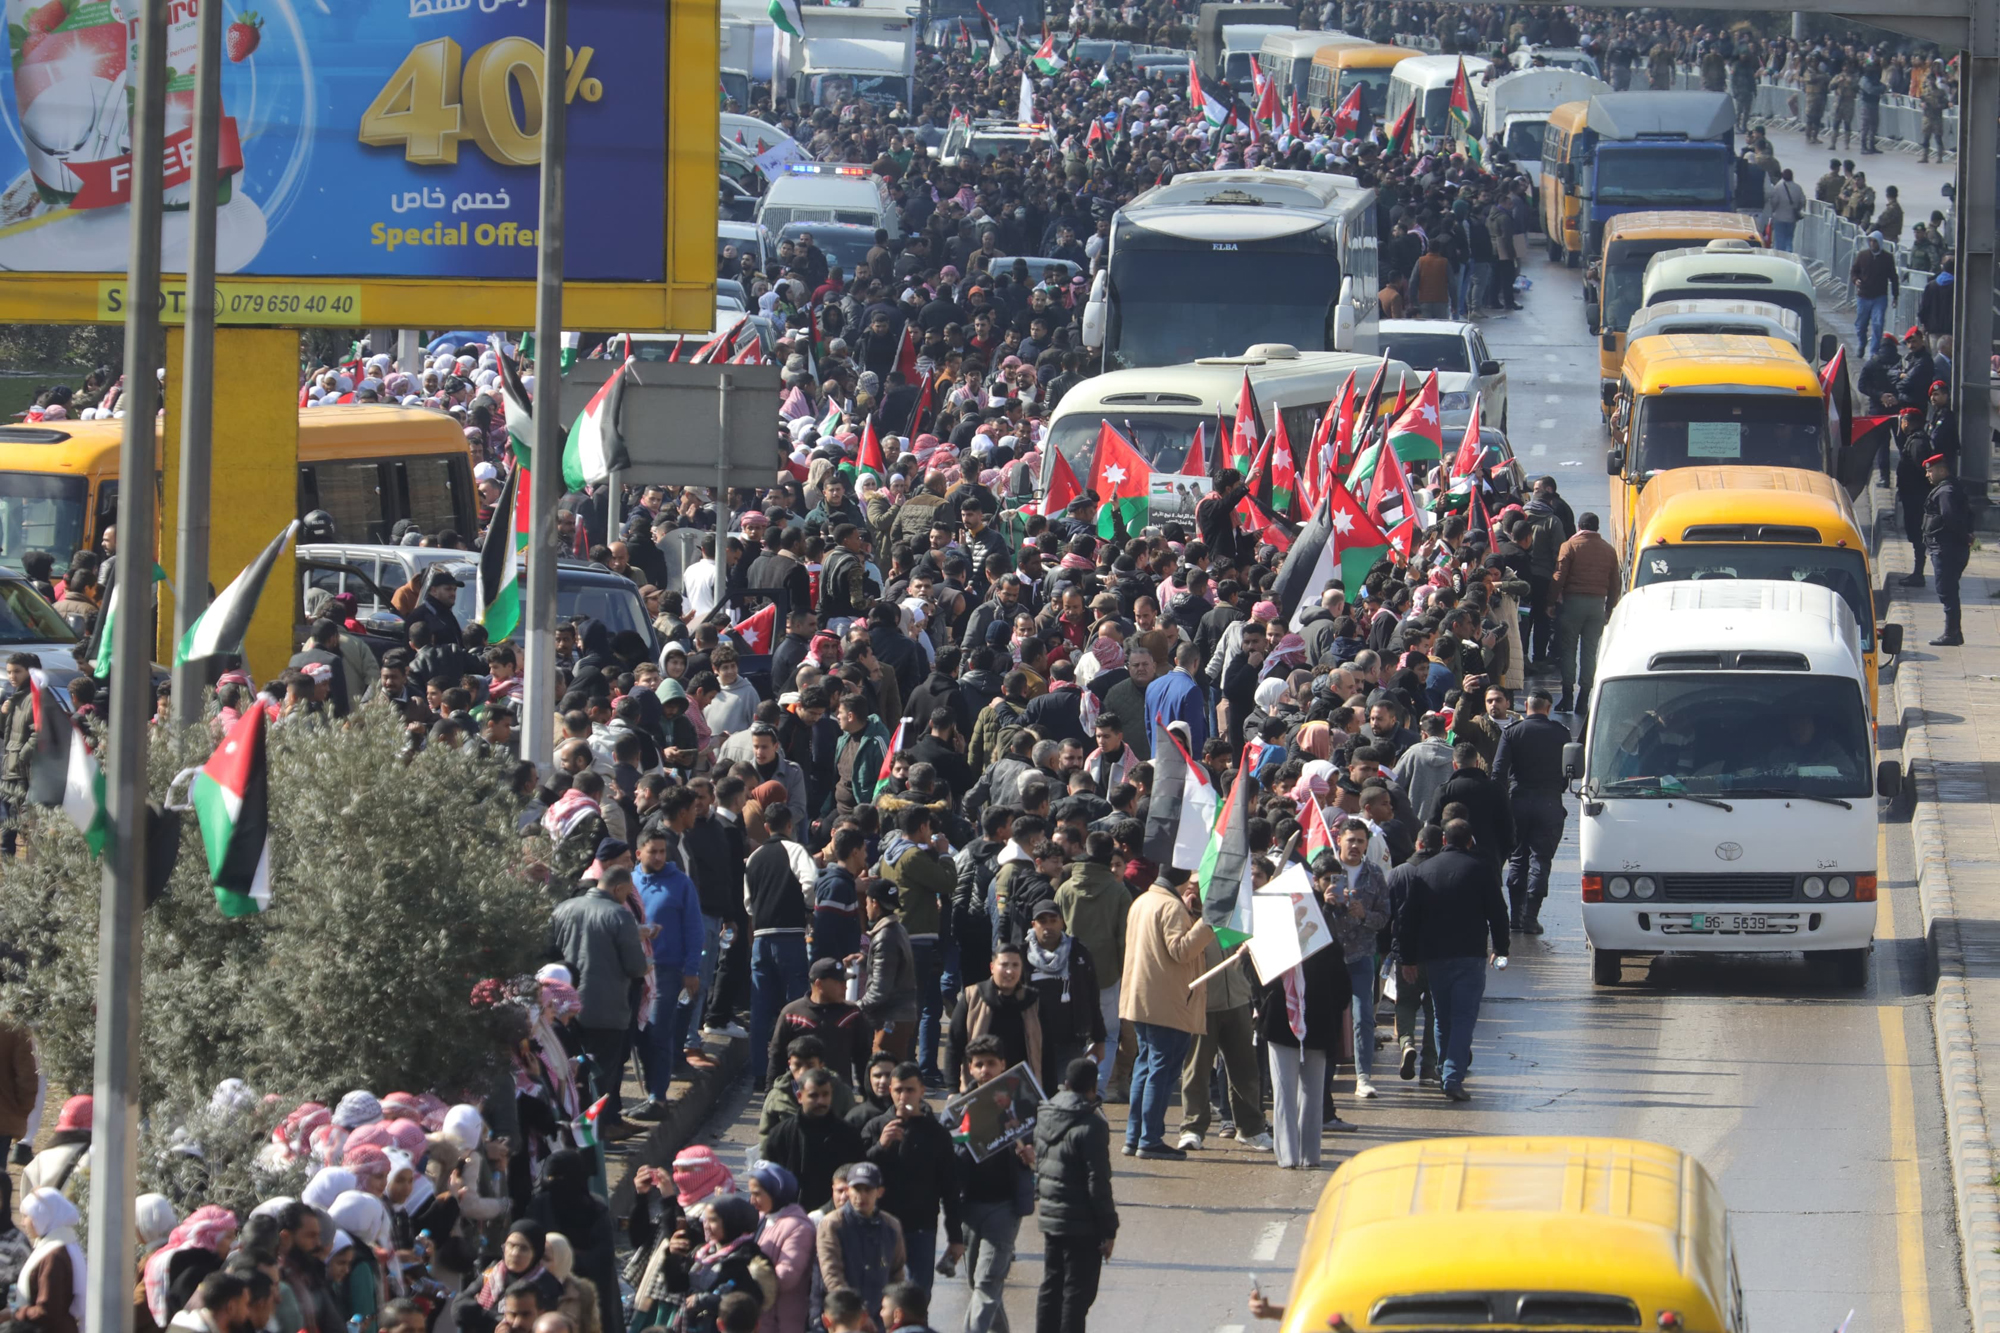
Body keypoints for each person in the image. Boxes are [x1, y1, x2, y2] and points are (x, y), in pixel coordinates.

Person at [1395, 820, 1510, 1101]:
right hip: (1469, 956)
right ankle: (1452, 1076)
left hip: (1434, 957)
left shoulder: (1424, 871)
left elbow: (1407, 919)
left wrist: (1408, 959)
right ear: (1470, 841)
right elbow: (1498, 912)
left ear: (1444, 839)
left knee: (1442, 1016)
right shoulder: (1481, 870)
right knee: (1463, 1018)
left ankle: (1444, 1068)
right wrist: (1501, 948)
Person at [1252, 872, 1348, 1170]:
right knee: (1312, 1095)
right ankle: (1310, 1156)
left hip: (1281, 1026)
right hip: (1319, 1026)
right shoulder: (1328, 944)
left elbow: (1257, 985)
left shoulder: (1273, 943)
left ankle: (1288, 1156)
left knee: (1284, 1094)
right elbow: (1344, 989)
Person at [547, 867, 649, 1141]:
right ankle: (598, 1139)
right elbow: (635, 966)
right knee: (603, 1079)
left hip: (564, 1010)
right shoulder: (619, 916)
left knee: (571, 1079)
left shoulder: (563, 909)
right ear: (618, 889)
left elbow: (550, 952)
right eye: (627, 893)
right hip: (607, 1011)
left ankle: (575, 1139)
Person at [1117, 875, 1214, 1161]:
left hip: (1143, 997)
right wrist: (1206, 921)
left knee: (1145, 1067)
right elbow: (1181, 950)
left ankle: (1135, 1137)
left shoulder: (1143, 900)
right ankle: (1149, 1138)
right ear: (1183, 880)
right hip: (1166, 1001)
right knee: (1160, 1070)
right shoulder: (1170, 906)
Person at [950, 1037, 1036, 1333]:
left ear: (1003, 1065)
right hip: (970, 1205)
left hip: (1006, 1205)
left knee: (987, 1281)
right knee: (977, 1281)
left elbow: (1045, 1147)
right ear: (969, 1069)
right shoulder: (959, 1110)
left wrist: (1032, 1155)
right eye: (978, 1065)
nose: (985, 1070)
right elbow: (949, 1153)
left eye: (990, 1063)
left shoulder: (1022, 1103)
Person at [1032, 1058, 1116, 1333]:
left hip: (1051, 1216)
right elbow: (1098, 1182)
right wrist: (1108, 1228)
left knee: (1051, 1285)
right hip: (1082, 1223)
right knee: (1077, 1295)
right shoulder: (1092, 1124)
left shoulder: (1046, 1113)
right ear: (1093, 1087)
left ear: (1066, 1084)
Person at [862, 1063, 964, 1291]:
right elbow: (856, 1175)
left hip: (921, 1227)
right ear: (890, 1091)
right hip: (880, 1225)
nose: (903, 1096)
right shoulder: (875, 1127)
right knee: (879, 1295)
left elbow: (950, 1188)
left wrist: (955, 1238)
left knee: (917, 1297)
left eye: (910, 1090)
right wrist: (881, 1146)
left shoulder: (936, 1134)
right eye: (898, 1090)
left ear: (921, 1091)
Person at [1491, 690, 1570, 935]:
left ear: (1526, 706)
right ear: (1549, 707)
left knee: (1518, 858)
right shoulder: (1561, 733)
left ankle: (1515, 916)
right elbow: (1572, 770)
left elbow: (1498, 771)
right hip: (1549, 802)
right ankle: (1531, 916)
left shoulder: (1512, 732)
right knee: (1541, 860)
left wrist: (1500, 802)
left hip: (1518, 801)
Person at [1324, 819, 1392, 1101]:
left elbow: (1384, 917)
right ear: (1339, 839)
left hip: (1362, 954)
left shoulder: (1374, 874)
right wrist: (1325, 901)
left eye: (1361, 842)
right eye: (1350, 840)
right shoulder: (1325, 869)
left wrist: (1363, 914)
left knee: (1364, 1016)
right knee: (1326, 1018)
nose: (1355, 846)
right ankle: (1322, 1077)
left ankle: (1363, 1077)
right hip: (1328, 955)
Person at [1022, 902, 1104, 1096]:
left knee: (1069, 1096)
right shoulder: (1021, 955)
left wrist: (1099, 1040)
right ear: (1034, 924)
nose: (1048, 926)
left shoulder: (1079, 954)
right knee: (1034, 1096)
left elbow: (1092, 998)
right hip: (1032, 1041)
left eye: (1053, 920)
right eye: (1042, 921)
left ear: (1063, 923)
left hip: (1070, 1042)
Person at [812, 1161, 907, 1319]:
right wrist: (856, 1314)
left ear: (879, 1192)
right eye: (857, 1189)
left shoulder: (891, 1226)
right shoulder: (832, 1224)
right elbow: (832, 1274)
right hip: (844, 1315)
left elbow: (897, 1273)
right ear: (848, 1190)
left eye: (868, 1189)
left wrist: (891, 1310)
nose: (861, 1196)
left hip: (879, 1316)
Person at [944, 944, 1044, 1093]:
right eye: (1004, 965)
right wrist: (952, 1090)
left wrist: (1049, 1093)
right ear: (992, 967)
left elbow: (1046, 1051)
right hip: (978, 1088)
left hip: (1023, 1090)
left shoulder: (1033, 1001)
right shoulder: (972, 996)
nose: (1010, 971)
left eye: (1015, 965)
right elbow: (954, 1045)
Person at [1551, 513, 1619, 717]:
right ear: (1597, 528)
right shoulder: (1609, 550)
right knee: (1590, 652)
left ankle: (1567, 696)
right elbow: (1615, 583)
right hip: (1597, 606)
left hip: (1573, 603)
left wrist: (1551, 601)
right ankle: (1584, 699)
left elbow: (1559, 575)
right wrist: (1609, 608)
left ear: (1579, 526)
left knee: (1568, 649)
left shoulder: (1569, 546)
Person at [745, 1161, 814, 1333]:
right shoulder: (762, 1219)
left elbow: (786, 1277)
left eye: (757, 1194)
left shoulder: (798, 1227)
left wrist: (745, 1278)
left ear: (775, 1192)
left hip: (781, 1322)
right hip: (759, 1319)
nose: (752, 1200)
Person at [857, 879, 921, 1059]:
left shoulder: (884, 937)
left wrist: (854, 1008)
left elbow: (879, 991)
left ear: (875, 903)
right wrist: (865, 961)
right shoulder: (897, 929)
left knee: (882, 1074)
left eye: (867, 902)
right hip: (901, 1016)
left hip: (891, 1018)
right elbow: (894, 969)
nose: (866, 906)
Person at [1920, 452, 1972, 646]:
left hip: (1946, 549)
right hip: (1948, 547)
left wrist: (1964, 537)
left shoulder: (1946, 492)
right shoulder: (1951, 488)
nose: (1927, 475)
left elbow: (1951, 518)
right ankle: (1953, 632)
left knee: (1946, 591)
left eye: (1930, 471)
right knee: (1948, 590)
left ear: (1942, 470)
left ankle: (1952, 633)